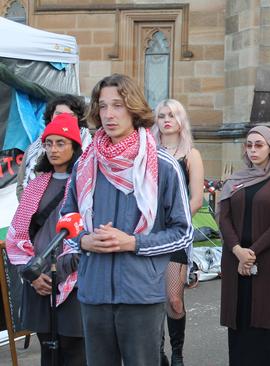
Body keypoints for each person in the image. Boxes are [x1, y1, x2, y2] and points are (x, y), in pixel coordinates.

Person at [60, 74, 194, 366]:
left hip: (140, 296)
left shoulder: (163, 165)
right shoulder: (85, 163)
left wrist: (133, 242)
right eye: (103, 106)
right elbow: (67, 219)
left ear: (133, 108)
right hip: (93, 294)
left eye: (117, 105)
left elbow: (183, 233)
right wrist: (84, 239)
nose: (109, 114)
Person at [6, 114, 86, 366]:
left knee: (75, 351)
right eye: (49, 143)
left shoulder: (86, 184)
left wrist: (57, 274)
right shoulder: (35, 184)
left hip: (74, 283)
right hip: (38, 283)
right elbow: (17, 236)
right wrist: (33, 275)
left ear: (74, 146)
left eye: (61, 143)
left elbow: (86, 234)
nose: (53, 149)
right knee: (49, 354)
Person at [219, 126, 270, 366]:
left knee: (263, 324)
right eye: (249, 145)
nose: (253, 150)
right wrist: (238, 251)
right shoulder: (235, 180)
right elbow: (224, 217)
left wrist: (250, 254)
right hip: (235, 259)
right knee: (239, 321)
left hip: (267, 262)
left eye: (259, 145)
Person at [152, 99, 204, 366]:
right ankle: (157, 353)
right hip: (149, 236)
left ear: (181, 120)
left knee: (173, 300)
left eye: (172, 115)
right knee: (151, 298)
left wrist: (175, 223)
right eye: (162, 115)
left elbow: (196, 199)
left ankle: (178, 354)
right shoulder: (148, 152)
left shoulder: (190, 154)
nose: (167, 120)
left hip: (175, 236)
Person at [16, 94, 92, 200]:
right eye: (59, 114)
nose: (63, 118)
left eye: (70, 115)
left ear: (78, 119)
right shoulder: (33, 150)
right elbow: (21, 185)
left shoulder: (91, 148)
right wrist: (30, 209)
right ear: (51, 117)